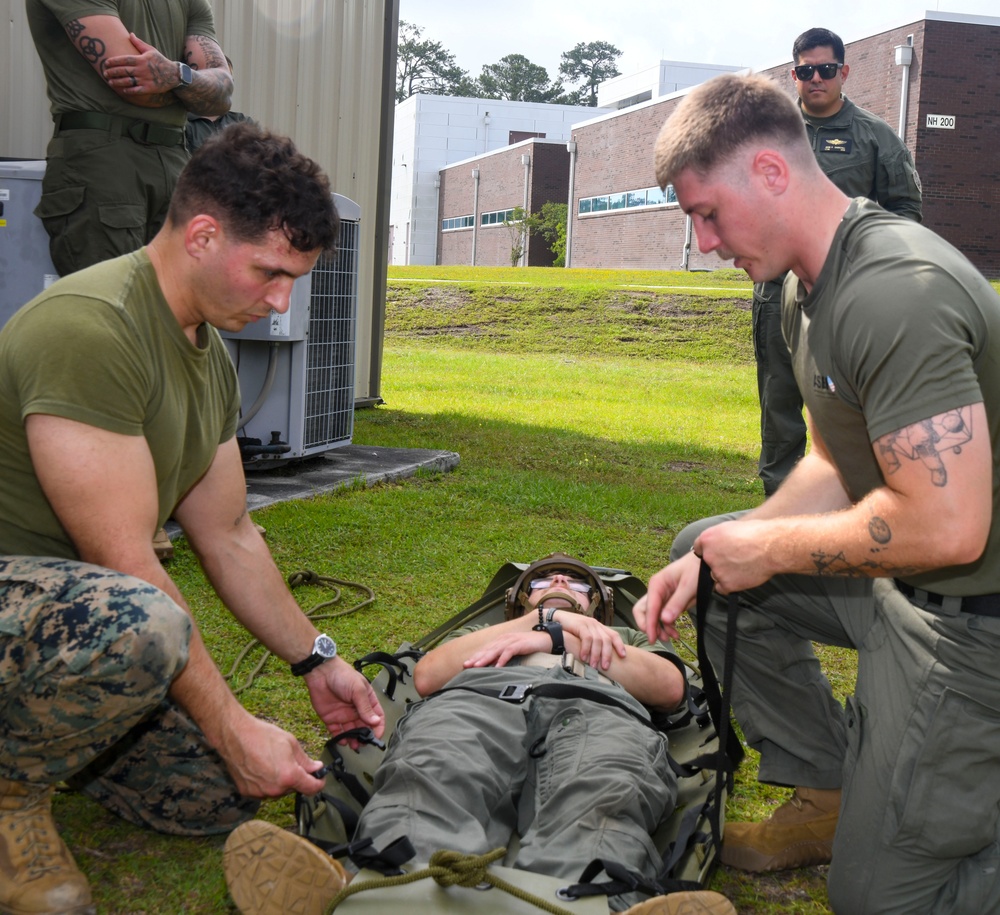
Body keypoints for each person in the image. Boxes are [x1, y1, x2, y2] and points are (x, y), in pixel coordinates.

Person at [0, 122, 385, 915]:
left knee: (212, 797)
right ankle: (9, 800)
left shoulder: (207, 351)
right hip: (46, 602)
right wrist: (232, 721)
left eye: (295, 280)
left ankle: (48, 735)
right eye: (270, 272)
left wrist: (317, 660)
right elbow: (126, 565)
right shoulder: (91, 326)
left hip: (58, 623)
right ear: (203, 234)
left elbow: (230, 532)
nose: (281, 300)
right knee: (146, 625)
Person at [639, 71, 1000, 914]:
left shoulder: (892, 291)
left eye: (707, 213)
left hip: (973, 625)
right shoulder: (807, 287)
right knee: (708, 554)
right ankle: (832, 791)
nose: (703, 243)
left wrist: (764, 547)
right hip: (906, 595)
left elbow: (948, 527)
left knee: (876, 901)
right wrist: (735, 545)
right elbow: (841, 459)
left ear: (769, 172)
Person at [222, 554, 737, 915]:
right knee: (436, 772)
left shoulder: (626, 637)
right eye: (543, 581)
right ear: (517, 600)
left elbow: (670, 688)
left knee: (603, 791)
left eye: (578, 584)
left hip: (598, 714)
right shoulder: (483, 634)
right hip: (478, 703)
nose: (559, 582)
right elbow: (427, 677)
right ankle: (388, 891)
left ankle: (590, 899)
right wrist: (547, 626)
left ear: (599, 605)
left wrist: (580, 638)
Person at [753, 27, 922, 496]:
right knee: (779, 402)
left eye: (826, 69)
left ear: (843, 72)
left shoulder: (876, 138)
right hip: (778, 292)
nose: (816, 79)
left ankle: (860, 502)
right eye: (806, 71)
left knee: (850, 402)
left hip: (849, 296)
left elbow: (906, 211)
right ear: (794, 75)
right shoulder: (769, 136)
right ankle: (780, 505)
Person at [26, 0, 234, 277]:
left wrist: (174, 74)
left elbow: (222, 97)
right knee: (109, 306)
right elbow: (136, 86)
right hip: (105, 160)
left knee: (180, 310)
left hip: (175, 160)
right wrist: (193, 84)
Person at [185, 56, 255, 153]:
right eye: (217, 78)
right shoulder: (184, 125)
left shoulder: (243, 123)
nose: (223, 85)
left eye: (228, 80)